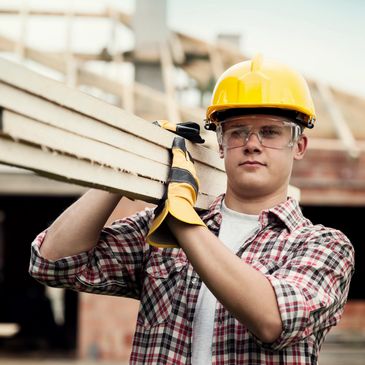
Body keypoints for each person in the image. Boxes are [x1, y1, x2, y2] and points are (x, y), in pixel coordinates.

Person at [29, 55, 354, 365]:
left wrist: (180, 219)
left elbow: (273, 319)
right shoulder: (158, 229)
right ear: (221, 143)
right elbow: (53, 262)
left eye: (270, 131)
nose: (252, 143)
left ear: (298, 145)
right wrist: (131, 163)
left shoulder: (323, 246)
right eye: (238, 130)